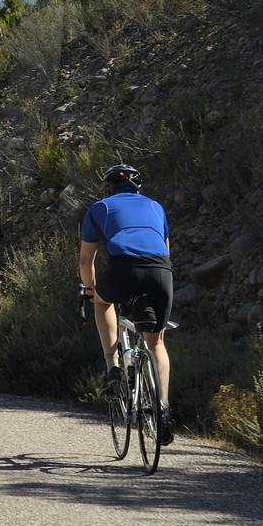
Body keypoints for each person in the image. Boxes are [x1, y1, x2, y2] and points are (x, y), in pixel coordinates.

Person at [80, 163, 175, 445]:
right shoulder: (156, 207)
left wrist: (89, 289)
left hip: (124, 269)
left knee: (101, 301)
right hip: (161, 272)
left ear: (108, 188)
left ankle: (113, 366)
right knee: (157, 342)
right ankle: (164, 410)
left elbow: (87, 261)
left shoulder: (100, 208)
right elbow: (165, 249)